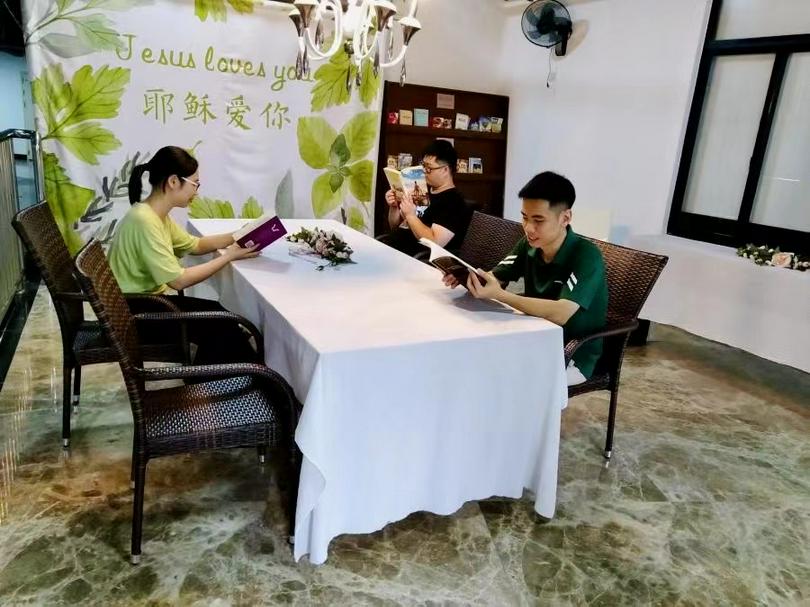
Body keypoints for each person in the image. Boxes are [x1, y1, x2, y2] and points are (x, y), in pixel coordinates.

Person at [443, 172, 608, 386]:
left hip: (571, 355)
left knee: (503, 380)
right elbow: (496, 278)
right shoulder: (528, 245)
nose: (528, 228)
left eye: (538, 220)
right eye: (525, 217)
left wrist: (502, 295)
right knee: (472, 361)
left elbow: (561, 313)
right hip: (533, 339)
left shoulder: (586, 255)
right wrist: (467, 276)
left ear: (565, 218)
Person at [108, 145, 260, 364]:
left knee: (220, 317)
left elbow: (195, 245)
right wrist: (229, 256)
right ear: (173, 181)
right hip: (135, 314)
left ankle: (223, 377)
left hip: (144, 304)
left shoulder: (154, 214)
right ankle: (234, 379)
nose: (196, 192)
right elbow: (179, 281)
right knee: (220, 322)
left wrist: (239, 235)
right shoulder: (145, 221)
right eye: (195, 184)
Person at [381, 139, 472, 257]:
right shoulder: (423, 190)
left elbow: (434, 242)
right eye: (423, 165)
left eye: (429, 168)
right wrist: (394, 207)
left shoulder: (454, 203)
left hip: (415, 259)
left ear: (445, 170)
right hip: (393, 249)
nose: (424, 171)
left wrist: (410, 216)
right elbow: (395, 226)